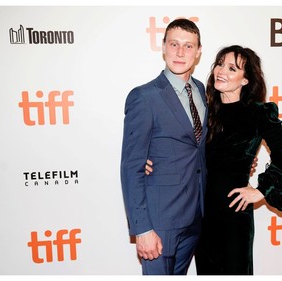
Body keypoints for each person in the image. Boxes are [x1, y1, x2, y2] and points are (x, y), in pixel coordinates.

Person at [194, 45, 282, 275]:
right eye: (220, 64)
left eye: (232, 68)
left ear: (245, 80)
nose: (221, 71)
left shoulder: (258, 114)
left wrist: (262, 190)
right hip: (203, 218)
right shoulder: (205, 111)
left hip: (234, 219)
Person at [120, 18, 207, 275]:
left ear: (198, 52)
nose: (180, 53)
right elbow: (131, 167)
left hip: (196, 216)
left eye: (189, 46)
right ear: (164, 47)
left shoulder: (201, 91)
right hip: (160, 222)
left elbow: (199, 147)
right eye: (174, 44)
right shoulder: (144, 97)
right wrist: (143, 229)